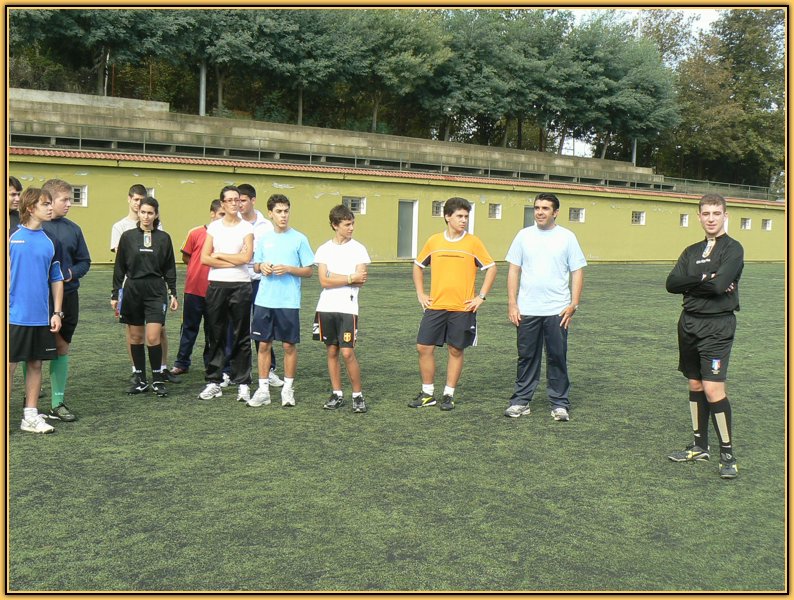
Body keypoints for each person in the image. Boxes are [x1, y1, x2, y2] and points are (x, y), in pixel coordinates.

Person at [665, 194, 743, 479]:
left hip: (717, 326)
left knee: (713, 389)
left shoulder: (733, 249)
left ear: (725, 216)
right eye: (706, 213)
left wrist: (703, 283)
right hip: (688, 323)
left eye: (716, 213)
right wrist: (705, 279)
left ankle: (727, 455)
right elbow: (671, 283)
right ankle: (700, 447)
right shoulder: (691, 250)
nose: (711, 218)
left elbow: (720, 286)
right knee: (695, 383)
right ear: (699, 217)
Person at [503, 192, 586, 421]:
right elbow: (514, 270)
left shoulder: (567, 237)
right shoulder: (523, 236)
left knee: (557, 356)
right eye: (537, 208)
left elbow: (577, 271)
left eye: (545, 208)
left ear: (555, 212)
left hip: (557, 310)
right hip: (527, 309)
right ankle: (521, 401)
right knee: (526, 356)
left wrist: (574, 304)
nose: (540, 212)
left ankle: (559, 404)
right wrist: (512, 303)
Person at [410, 196, 496, 411]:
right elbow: (418, 265)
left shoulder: (473, 242)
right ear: (447, 216)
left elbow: (491, 268)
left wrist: (481, 296)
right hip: (435, 306)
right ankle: (427, 393)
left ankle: (448, 394)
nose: (464, 220)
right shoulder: (434, 241)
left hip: (462, 308)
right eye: (459, 216)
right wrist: (421, 293)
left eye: (466, 216)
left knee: (456, 350)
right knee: (423, 347)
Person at [247, 194, 314, 408]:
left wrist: (289, 269)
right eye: (279, 211)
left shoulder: (299, 239)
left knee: (288, 345)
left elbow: (309, 271)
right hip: (264, 300)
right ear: (270, 214)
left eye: (286, 211)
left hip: (288, 302)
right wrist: (262, 267)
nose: (283, 215)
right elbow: (256, 265)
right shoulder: (264, 239)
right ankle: (263, 390)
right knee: (263, 344)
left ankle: (288, 389)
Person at [111, 196, 179, 397]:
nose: (146, 216)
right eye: (143, 212)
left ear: (156, 215)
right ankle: (141, 379)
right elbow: (119, 267)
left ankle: (157, 379)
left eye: (150, 213)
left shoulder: (164, 238)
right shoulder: (127, 237)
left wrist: (173, 293)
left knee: (153, 336)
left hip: (156, 290)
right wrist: (115, 293)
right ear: (138, 213)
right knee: (135, 336)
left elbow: (170, 268)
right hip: (133, 289)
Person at [9, 187, 64, 433]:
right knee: (8, 367)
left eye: (51, 203)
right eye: (45, 204)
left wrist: (57, 312)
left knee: (35, 364)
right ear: (31, 208)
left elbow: (56, 278)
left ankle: (29, 416)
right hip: (12, 316)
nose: (51, 208)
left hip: (40, 316)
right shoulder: (11, 236)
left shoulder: (51, 241)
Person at [40, 179, 92, 422]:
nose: (69, 204)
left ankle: (57, 402)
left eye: (71, 199)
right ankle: (31, 398)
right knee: (33, 350)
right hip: (39, 298)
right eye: (65, 199)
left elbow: (85, 261)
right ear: (49, 200)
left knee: (62, 346)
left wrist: (70, 273)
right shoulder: (34, 229)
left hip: (69, 296)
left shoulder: (74, 229)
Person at [198, 186, 254, 402]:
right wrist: (233, 259)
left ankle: (243, 383)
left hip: (241, 285)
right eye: (229, 200)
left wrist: (220, 254)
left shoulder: (247, 227)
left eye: (237, 200)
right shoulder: (214, 227)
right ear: (222, 203)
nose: (234, 204)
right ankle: (214, 381)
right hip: (217, 285)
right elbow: (205, 258)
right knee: (215, 333)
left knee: (242, 335)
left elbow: (246, 258)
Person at [313, 205, 371, 413]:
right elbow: (323, 281)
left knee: (347, 352)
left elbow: (360, 280)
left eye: (352, 223)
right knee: (331, 350)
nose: (351, 228)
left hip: (348, 308)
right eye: (347, 224)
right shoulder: (323, 249)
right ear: (335, 225)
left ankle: (358, 396)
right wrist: (349, 277)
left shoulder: (359, 249)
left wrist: (335, 276)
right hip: (326, 307)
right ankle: (337, 394)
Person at [227, 182, 283, 388]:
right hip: (238, 280)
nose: (238, 204)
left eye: (242, 200)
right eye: (236, 200)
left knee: (263, 326)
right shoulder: (232, 223)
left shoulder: (266, 226)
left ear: (252, 200)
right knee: (235, 327)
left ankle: (269, 370)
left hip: (261, 282)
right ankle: (231, 370)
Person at [170, 199, 225, 375]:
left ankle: (211, 363)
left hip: (216, 291)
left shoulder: (228, 236)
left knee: (213, 330)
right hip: (193, 290)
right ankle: (182, 362)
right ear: (212, 214)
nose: (223, 217)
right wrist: (197, 268)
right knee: (188, 327)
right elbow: (186, 256)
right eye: (221, 214)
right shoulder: (195, 233)